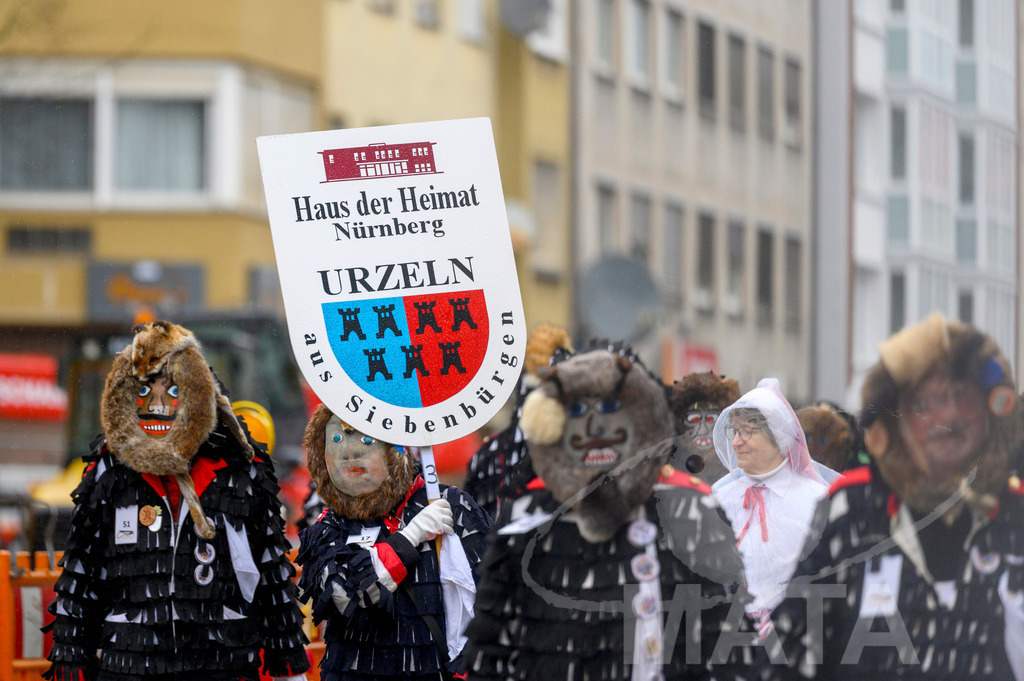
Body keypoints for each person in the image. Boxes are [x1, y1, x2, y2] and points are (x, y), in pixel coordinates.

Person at [463, 344, 748, 681]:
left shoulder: (691, 510)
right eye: (578, 410)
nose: (595, 427)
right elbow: (492, 653)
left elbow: (728, 650)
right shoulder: (524, 519)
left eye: (611, 407)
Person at [763, 313, 1024, 680]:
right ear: (896, 421)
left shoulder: (1017, 517)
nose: (946, 416)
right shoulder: (849, 510)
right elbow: (788, 658)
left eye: (962, 398)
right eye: (924, 404)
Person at [45, 320, 309, 681]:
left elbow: (270, 573)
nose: (156, 404)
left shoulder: (240, 473)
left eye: (170, 390)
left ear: (195, 393)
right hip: (129, 664)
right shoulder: (108, 474)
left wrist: (288, 667)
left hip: (221, 663)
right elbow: (82, 574)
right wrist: (72, 659)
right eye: (144, 390)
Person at [296, 404, 492, 680]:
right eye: (337, 439)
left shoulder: (452, 505)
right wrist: (410, 538)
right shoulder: (327, 526)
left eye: (366, 439)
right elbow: (346, 595)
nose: (349, 453)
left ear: (394, 451)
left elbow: (492, 594)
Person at [712, 378, 839, 624]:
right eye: (734, 431)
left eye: (747, 430)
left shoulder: (817, 500)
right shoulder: (718, 497)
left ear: (778, 436)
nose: (736, 442)